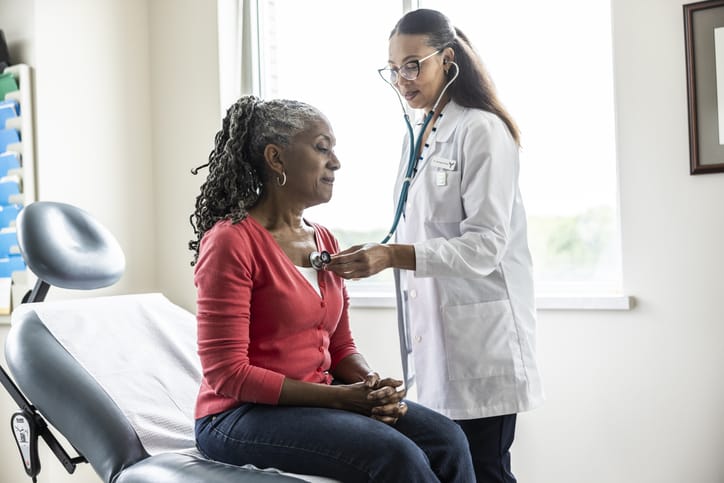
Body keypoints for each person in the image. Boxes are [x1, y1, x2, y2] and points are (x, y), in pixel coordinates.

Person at [188, 95, 475, 483]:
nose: (335, 162)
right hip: (237, 415)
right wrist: (342, 398)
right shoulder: (231, 242)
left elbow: (339, 347)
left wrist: (370, 387)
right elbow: (228, 374)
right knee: (395, 455)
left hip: (317, 400)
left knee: (448, 439)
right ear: (276, 158)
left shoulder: (323, 239)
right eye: (322, 148)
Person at [324, 9, 544, 483]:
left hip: (482, 341)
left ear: (447, 59)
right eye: (393, 68)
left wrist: (390, 256)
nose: (402, 79)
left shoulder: (482, 129)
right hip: (435, 340)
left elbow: (486, 245)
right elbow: (422, 229)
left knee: (485, 468)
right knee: (449, 466)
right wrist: (376, 252)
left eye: (412, 65)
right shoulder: (420, 133)